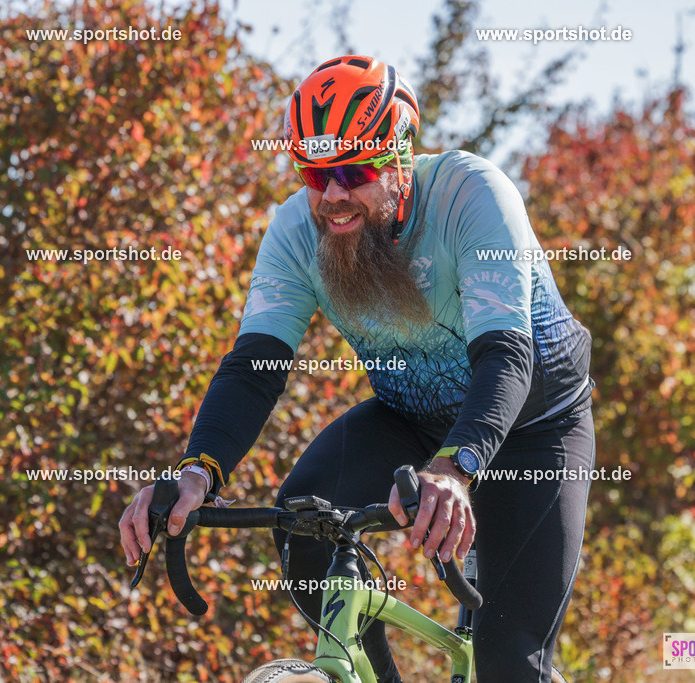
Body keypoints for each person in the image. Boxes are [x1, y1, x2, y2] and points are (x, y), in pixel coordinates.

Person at [120, 55, 596, 682]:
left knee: (509, 659)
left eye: (356, 169)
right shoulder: (296, 229)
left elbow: (507, 355)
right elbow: (253, 368)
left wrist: (456, 470)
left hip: (532, 424)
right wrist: (195, 472)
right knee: (303, 520)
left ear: (400, 160)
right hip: (412, 417)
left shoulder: (473, 195)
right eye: (316, 174)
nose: (334, 195)